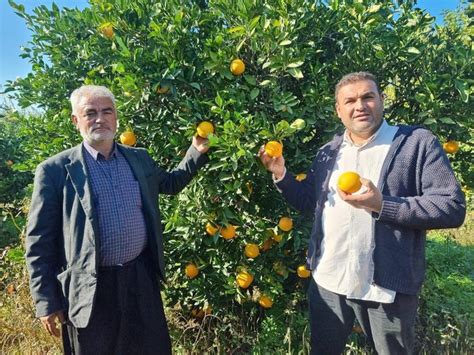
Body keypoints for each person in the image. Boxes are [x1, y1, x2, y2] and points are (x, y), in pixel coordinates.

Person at [259, 72, 466, 354]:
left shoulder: (416, 143)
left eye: (368, 97)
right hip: (329, 281)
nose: (360, 105)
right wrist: (281, 174)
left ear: (381, 100)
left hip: (386, 289)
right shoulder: (329, 152)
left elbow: (451, 207)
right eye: (350, 100)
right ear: (339, 110)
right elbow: (310, 202)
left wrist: (382, 205)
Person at [25, 85, 210, 354]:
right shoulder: (54, 171)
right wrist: (46, 300)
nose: (99, 119)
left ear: (116, 117)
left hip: (139, 279)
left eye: (106, 111)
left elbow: (170, 183)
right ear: (76, 121)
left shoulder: (139, 158)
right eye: (90, 113)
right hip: (89, 288)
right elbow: (39, 241)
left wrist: (196, 151)